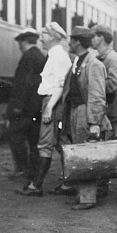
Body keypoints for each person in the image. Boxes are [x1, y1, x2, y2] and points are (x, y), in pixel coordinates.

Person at [57, 26, 112, 210]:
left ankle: (88, 198)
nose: (69, 43)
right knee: (78, 153)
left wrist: (94, 123)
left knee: (86, 155)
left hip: (84, 113)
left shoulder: (94, 64)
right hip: (74, 112)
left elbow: (97, 96)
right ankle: (82, 194)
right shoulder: (78, 61)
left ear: (78, 42)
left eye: (71, 39)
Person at [16, 22, 72, 197]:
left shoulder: (59, 56)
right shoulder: (54, 55)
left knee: (45, 143)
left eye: (45, 34)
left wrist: (48, 108)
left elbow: (61, 86)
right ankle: (68, 184)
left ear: (53, 37)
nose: (41, 38)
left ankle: (36, 185)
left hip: (52, 102)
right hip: (50, 101)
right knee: (59, 144)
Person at [6, 27, 46, 178]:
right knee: (33, 141)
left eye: (19, 42)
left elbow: (23, 84)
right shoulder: (40, 56)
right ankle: (33, 171)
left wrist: (16, 108)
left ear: (23, 41)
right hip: (37, 107)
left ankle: (23, 168)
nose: (18, 46)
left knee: (14, 134)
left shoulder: (28, 57)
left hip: (25, 108)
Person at [91, 24, 117, 198]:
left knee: (104, 148)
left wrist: (94, 91)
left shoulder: (111, 58)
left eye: (94, 36)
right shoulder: (102, 56)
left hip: (109, 110)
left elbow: (114, 84)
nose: (91, 39)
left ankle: (102, 188)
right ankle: (99, 185)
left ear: (101, 37)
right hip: (104, 109)